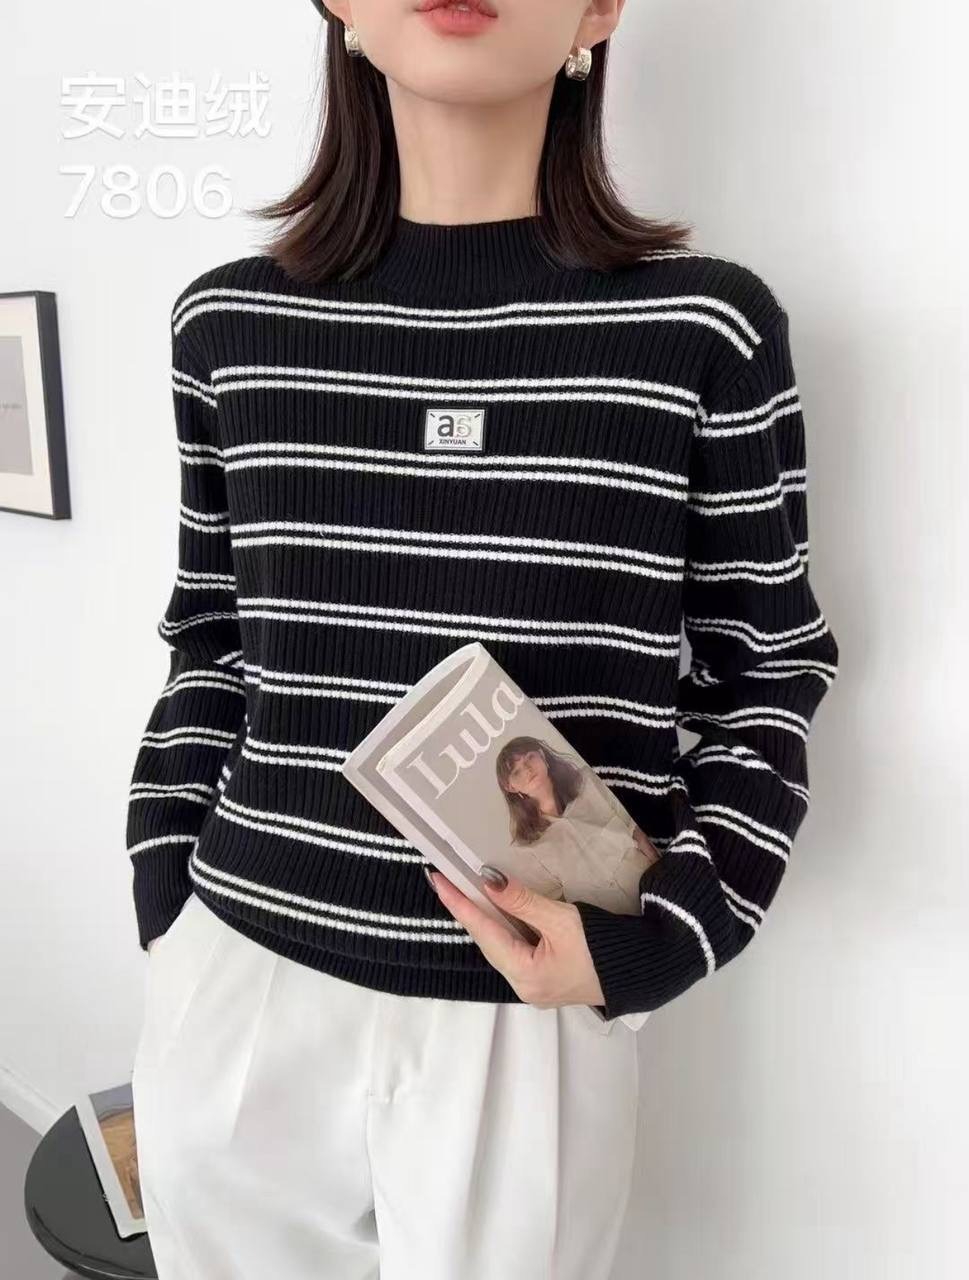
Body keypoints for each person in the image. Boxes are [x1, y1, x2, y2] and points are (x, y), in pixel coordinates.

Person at [126, 2, 840, 1277]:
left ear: (600, 8)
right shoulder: (226, 326)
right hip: (239, 969)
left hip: (529, 1002)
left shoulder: (702, 332)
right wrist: (166, 885)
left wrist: (665, 933)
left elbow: (768, 671)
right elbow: (212, 641)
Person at [492, 737, 662, 913]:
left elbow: (633, 823)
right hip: (612, 920)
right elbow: (555, 907)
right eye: (516, 772)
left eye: (530, 757)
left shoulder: (590, 781)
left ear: (542, 755)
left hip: (652, 882)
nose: (527, 768)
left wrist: (662, 870)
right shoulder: (527, 848)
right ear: (510, 787)